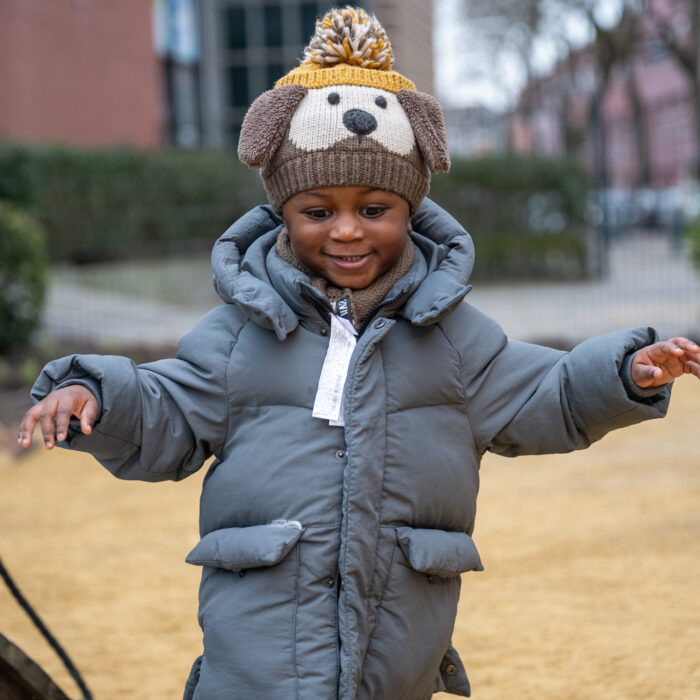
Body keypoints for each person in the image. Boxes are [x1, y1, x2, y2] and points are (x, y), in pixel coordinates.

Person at [17, 7, 700, 699]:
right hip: (256, 662)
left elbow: (545, 394)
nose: (346, 231)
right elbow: (167, 411)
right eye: (318, 211)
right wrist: (96, 394)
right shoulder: (238, 336)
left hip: (394, 656)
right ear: (284, 212)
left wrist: (622, 373)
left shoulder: (456, 340)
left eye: (375, 208)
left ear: (411, 211)